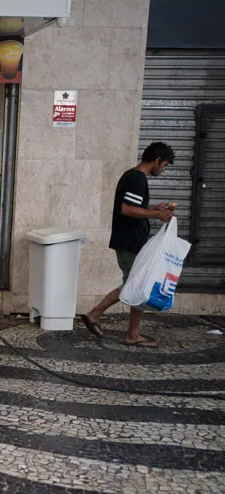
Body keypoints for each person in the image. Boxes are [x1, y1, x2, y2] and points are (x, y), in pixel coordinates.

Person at [80, 142, 176, 347]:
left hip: (130, 241)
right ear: (157, 160)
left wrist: (152, 208)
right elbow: (127, 209)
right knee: (138, 286)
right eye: (164, 164)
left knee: (136, 284)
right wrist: (157, 215)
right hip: (130, 241)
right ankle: (101, 317)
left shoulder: (132, 176)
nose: (163, 169)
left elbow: (134, 206)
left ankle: (121, 327)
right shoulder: (137, 178)